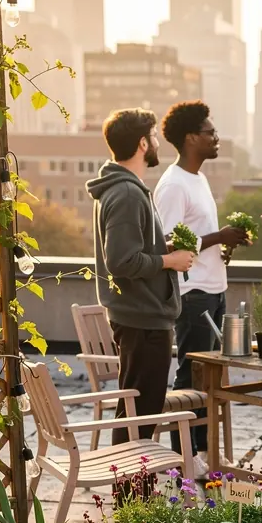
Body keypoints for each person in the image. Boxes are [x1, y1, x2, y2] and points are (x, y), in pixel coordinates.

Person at [154, 101, 250, 479]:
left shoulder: (199, 179)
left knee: (209, 377)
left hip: (214, 288)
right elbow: (167, 243)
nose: (216, 138)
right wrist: (217, 236)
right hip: (192, 294)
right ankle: (185, 456)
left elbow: (193, 237)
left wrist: (221, 244)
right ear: (192, 138)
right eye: (210, 132)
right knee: (191, 376)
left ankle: (203, 451)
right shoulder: (173, 184)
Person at [88, 108, 194, 444]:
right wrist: (169, 260)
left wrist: (161, 246)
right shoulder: (126, 193)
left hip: (141, 316)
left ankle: (132, 492)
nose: (158, 142)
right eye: (154, 136)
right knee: (139, 413)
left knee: (138, 409)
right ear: (141, 144)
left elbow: (130, 248)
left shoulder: (126, 189)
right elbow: (121, 261)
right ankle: (131, 495)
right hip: (142, 319)